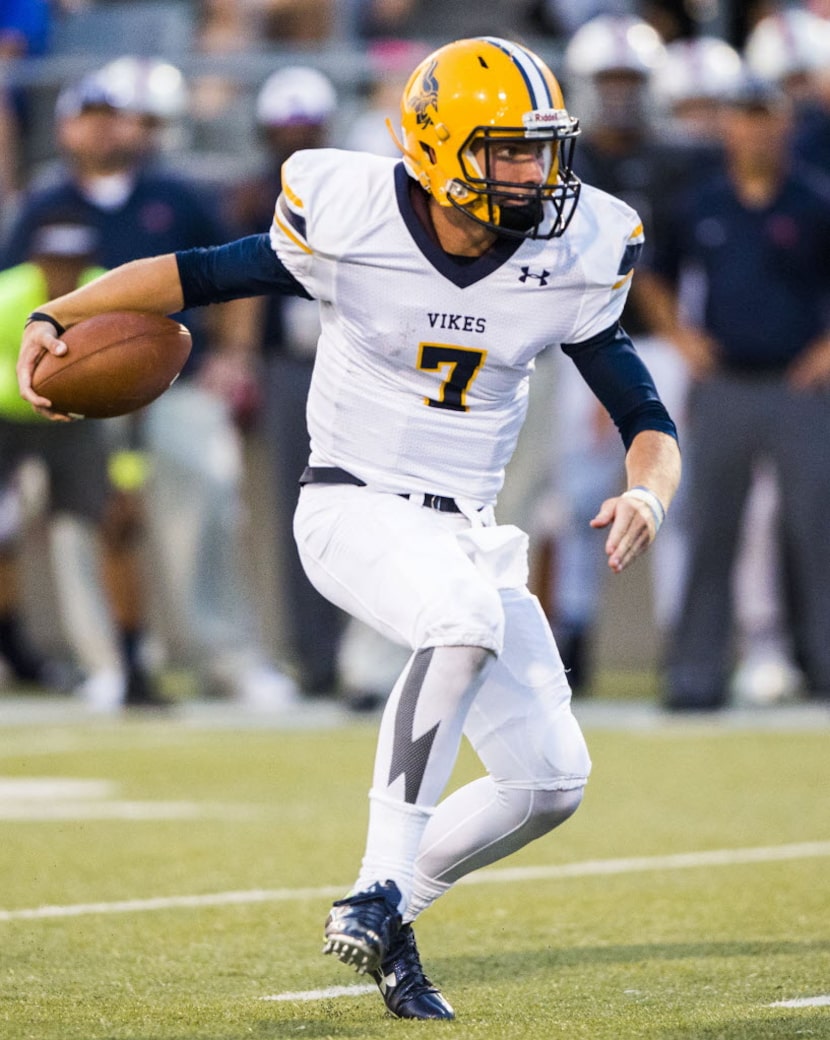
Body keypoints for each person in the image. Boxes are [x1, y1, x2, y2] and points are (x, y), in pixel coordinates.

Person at [18, 37, 680, 1018]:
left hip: (464, 527)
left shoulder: (569, 255)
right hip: (351, 503)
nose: (535, 172)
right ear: (441, 148)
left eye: (541, 149)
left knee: (548, 780)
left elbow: (645, 419)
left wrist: (646, 493)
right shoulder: (351, 216)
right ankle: (376, 878)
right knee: (458, 620)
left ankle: (391, 905)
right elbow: (197, 272)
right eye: (508, 151)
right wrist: (58, 314)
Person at [5, 62, 297, 709]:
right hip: (82, 393)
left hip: (179, 379)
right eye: (94, 115)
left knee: (211, 506)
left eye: (119, 116)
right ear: (68, 125)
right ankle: (106, 663)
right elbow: (14, 295)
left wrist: (237, 355)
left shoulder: (177, 193)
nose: (108, 129)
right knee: (80, 521)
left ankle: (227, 657)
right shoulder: (44, 204)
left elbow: (241, 269)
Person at [637, 73, 830, 710]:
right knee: (710, 527)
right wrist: (682, 338)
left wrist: (823, 352)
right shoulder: (703, 202)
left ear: (785, 126)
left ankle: (821, 662)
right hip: (724, 383)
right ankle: (696, 671)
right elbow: (652, 275)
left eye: (766, 116)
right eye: (744, 116)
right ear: (728, 127)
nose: (755, 129)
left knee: (815, 526)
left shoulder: (813, 199)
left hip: (797, 385)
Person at [0, 212, 162, 709]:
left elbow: (136, 393)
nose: (63, 274)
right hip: (8, 418)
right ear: (37, 261)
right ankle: (14, 648)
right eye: (54, 262)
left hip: (80, 419)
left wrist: (129, 475)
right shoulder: (8, 299)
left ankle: (130, 662)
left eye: (73, 263)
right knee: (3, 533)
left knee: (116, 526)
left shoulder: (108, 297)